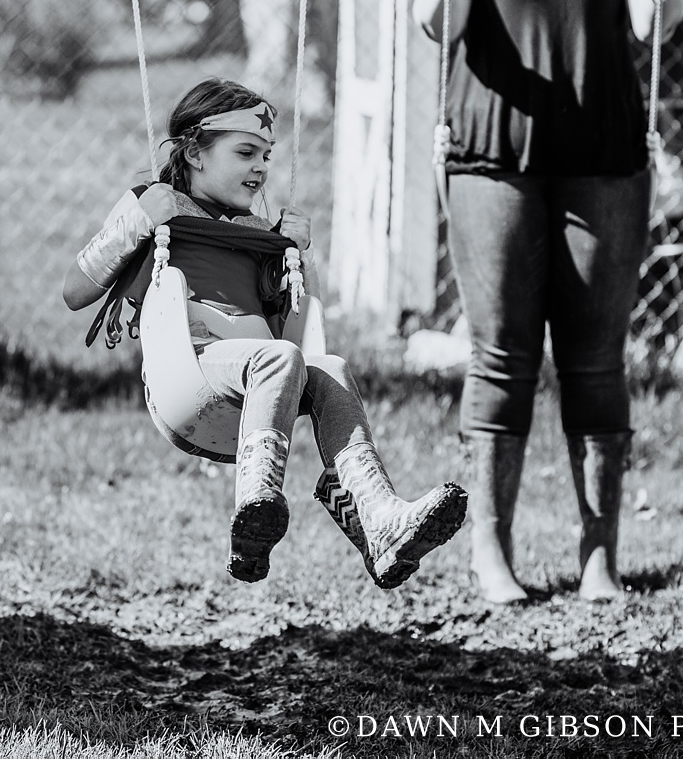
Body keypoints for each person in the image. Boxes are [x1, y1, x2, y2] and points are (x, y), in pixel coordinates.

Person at [410, 0, 682, 604]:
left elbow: (648, 24)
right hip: (492, 161)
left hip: (603, 165)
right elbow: (436, 22)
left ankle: (600, 555)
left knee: (596, 358)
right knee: (501, 354)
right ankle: (491, 552)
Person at [64, 77, 467, 588]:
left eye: (267, 156)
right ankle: (255, 503)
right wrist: (137, 224)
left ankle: (380, 521)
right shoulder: (153, 203)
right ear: (194, 152)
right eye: (246, 152)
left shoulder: (261, 235)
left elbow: (294, 323)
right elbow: (75, 290)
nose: (260, 166)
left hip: (258, 378)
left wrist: (299, 254)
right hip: (192, 372)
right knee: (277, 359)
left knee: (332, 369)